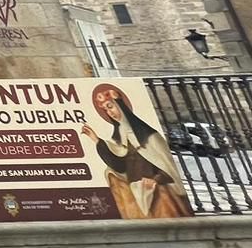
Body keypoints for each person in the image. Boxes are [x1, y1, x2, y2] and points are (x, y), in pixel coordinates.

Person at [81, 83, 190, 219]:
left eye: (110, 106)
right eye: (106, 110)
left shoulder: (149, 135)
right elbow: (119, 166)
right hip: (136, 190)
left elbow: (165, 164)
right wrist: (97, 140)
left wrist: (155, 180)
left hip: (157, 189)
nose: (110, 113)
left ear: (120, 105)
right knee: (109, 174)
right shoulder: (120, 135)